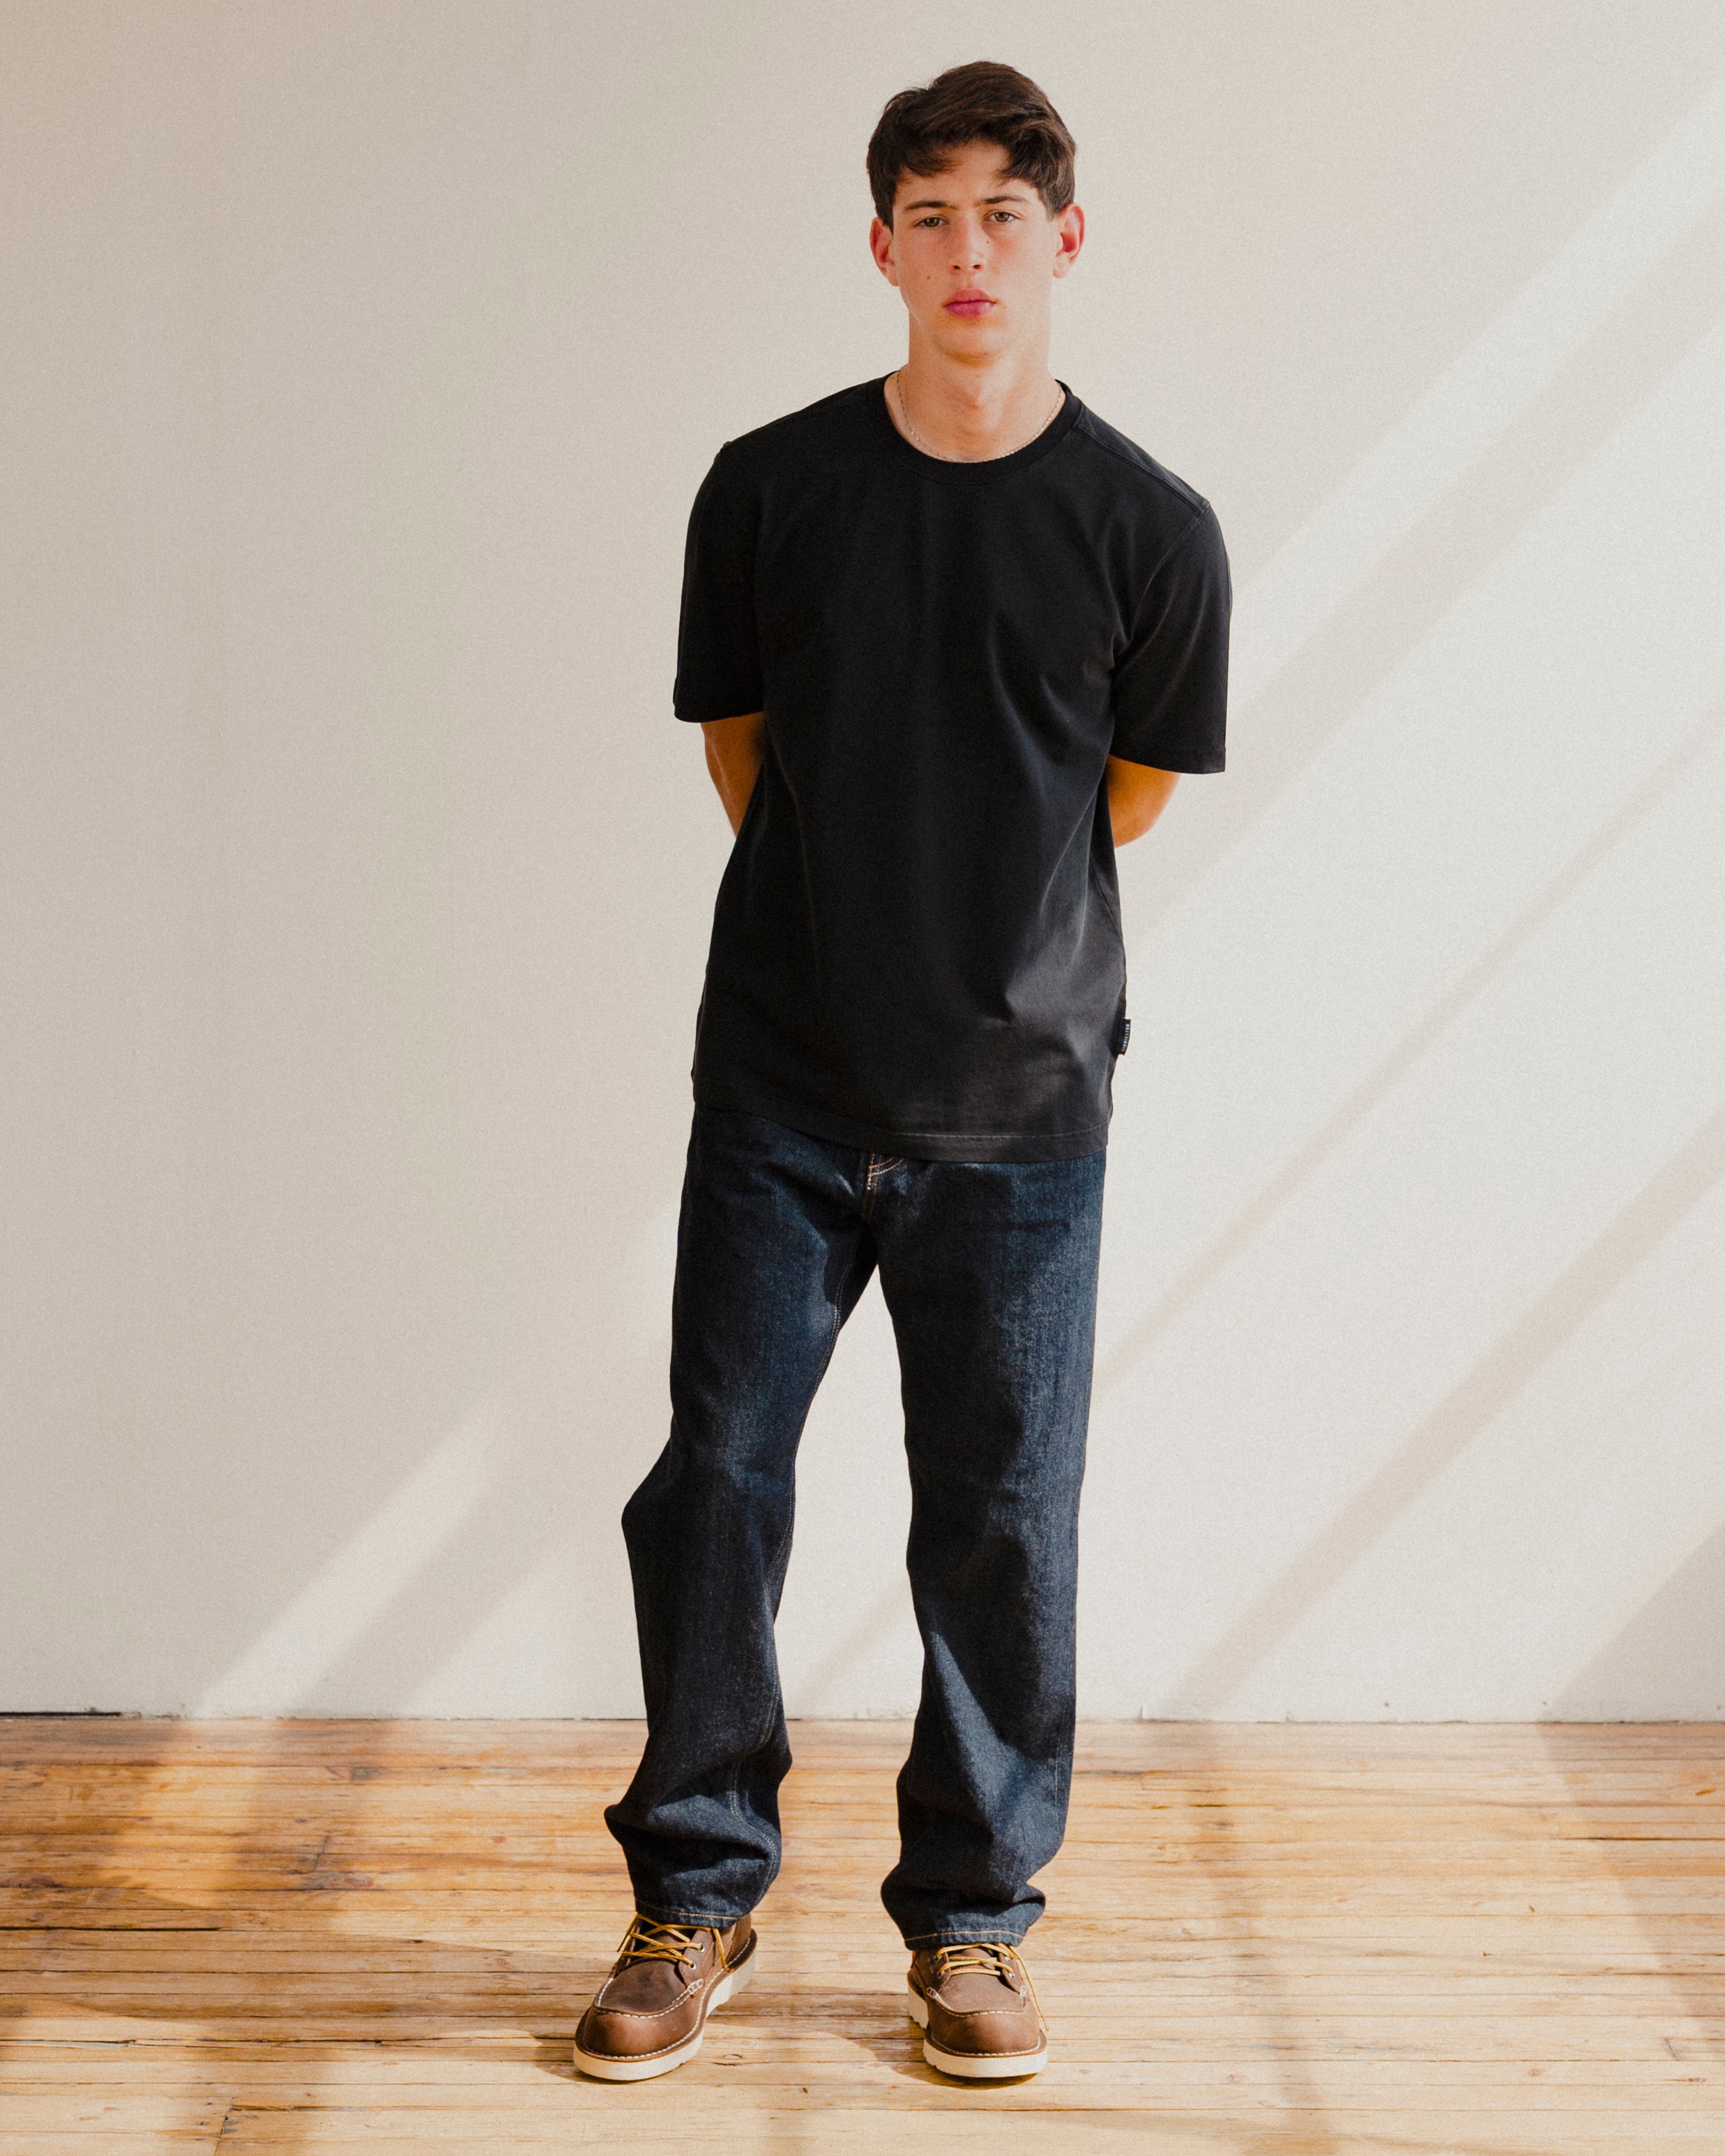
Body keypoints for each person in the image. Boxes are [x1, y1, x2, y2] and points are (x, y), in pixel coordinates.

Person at [574, 59, 1230, 2085]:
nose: (969, 251)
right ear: (881, 247)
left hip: (1022, 1112)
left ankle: (967, 1927)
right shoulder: (767, 487)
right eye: (929, 215)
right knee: (716, 1485)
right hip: (779, 1085)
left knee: (1004, 1520)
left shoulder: (1147, 525)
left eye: (1004, 216)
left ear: (1065, 242)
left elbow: (1117, 803)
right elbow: (740, 751)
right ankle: (694, 1892)